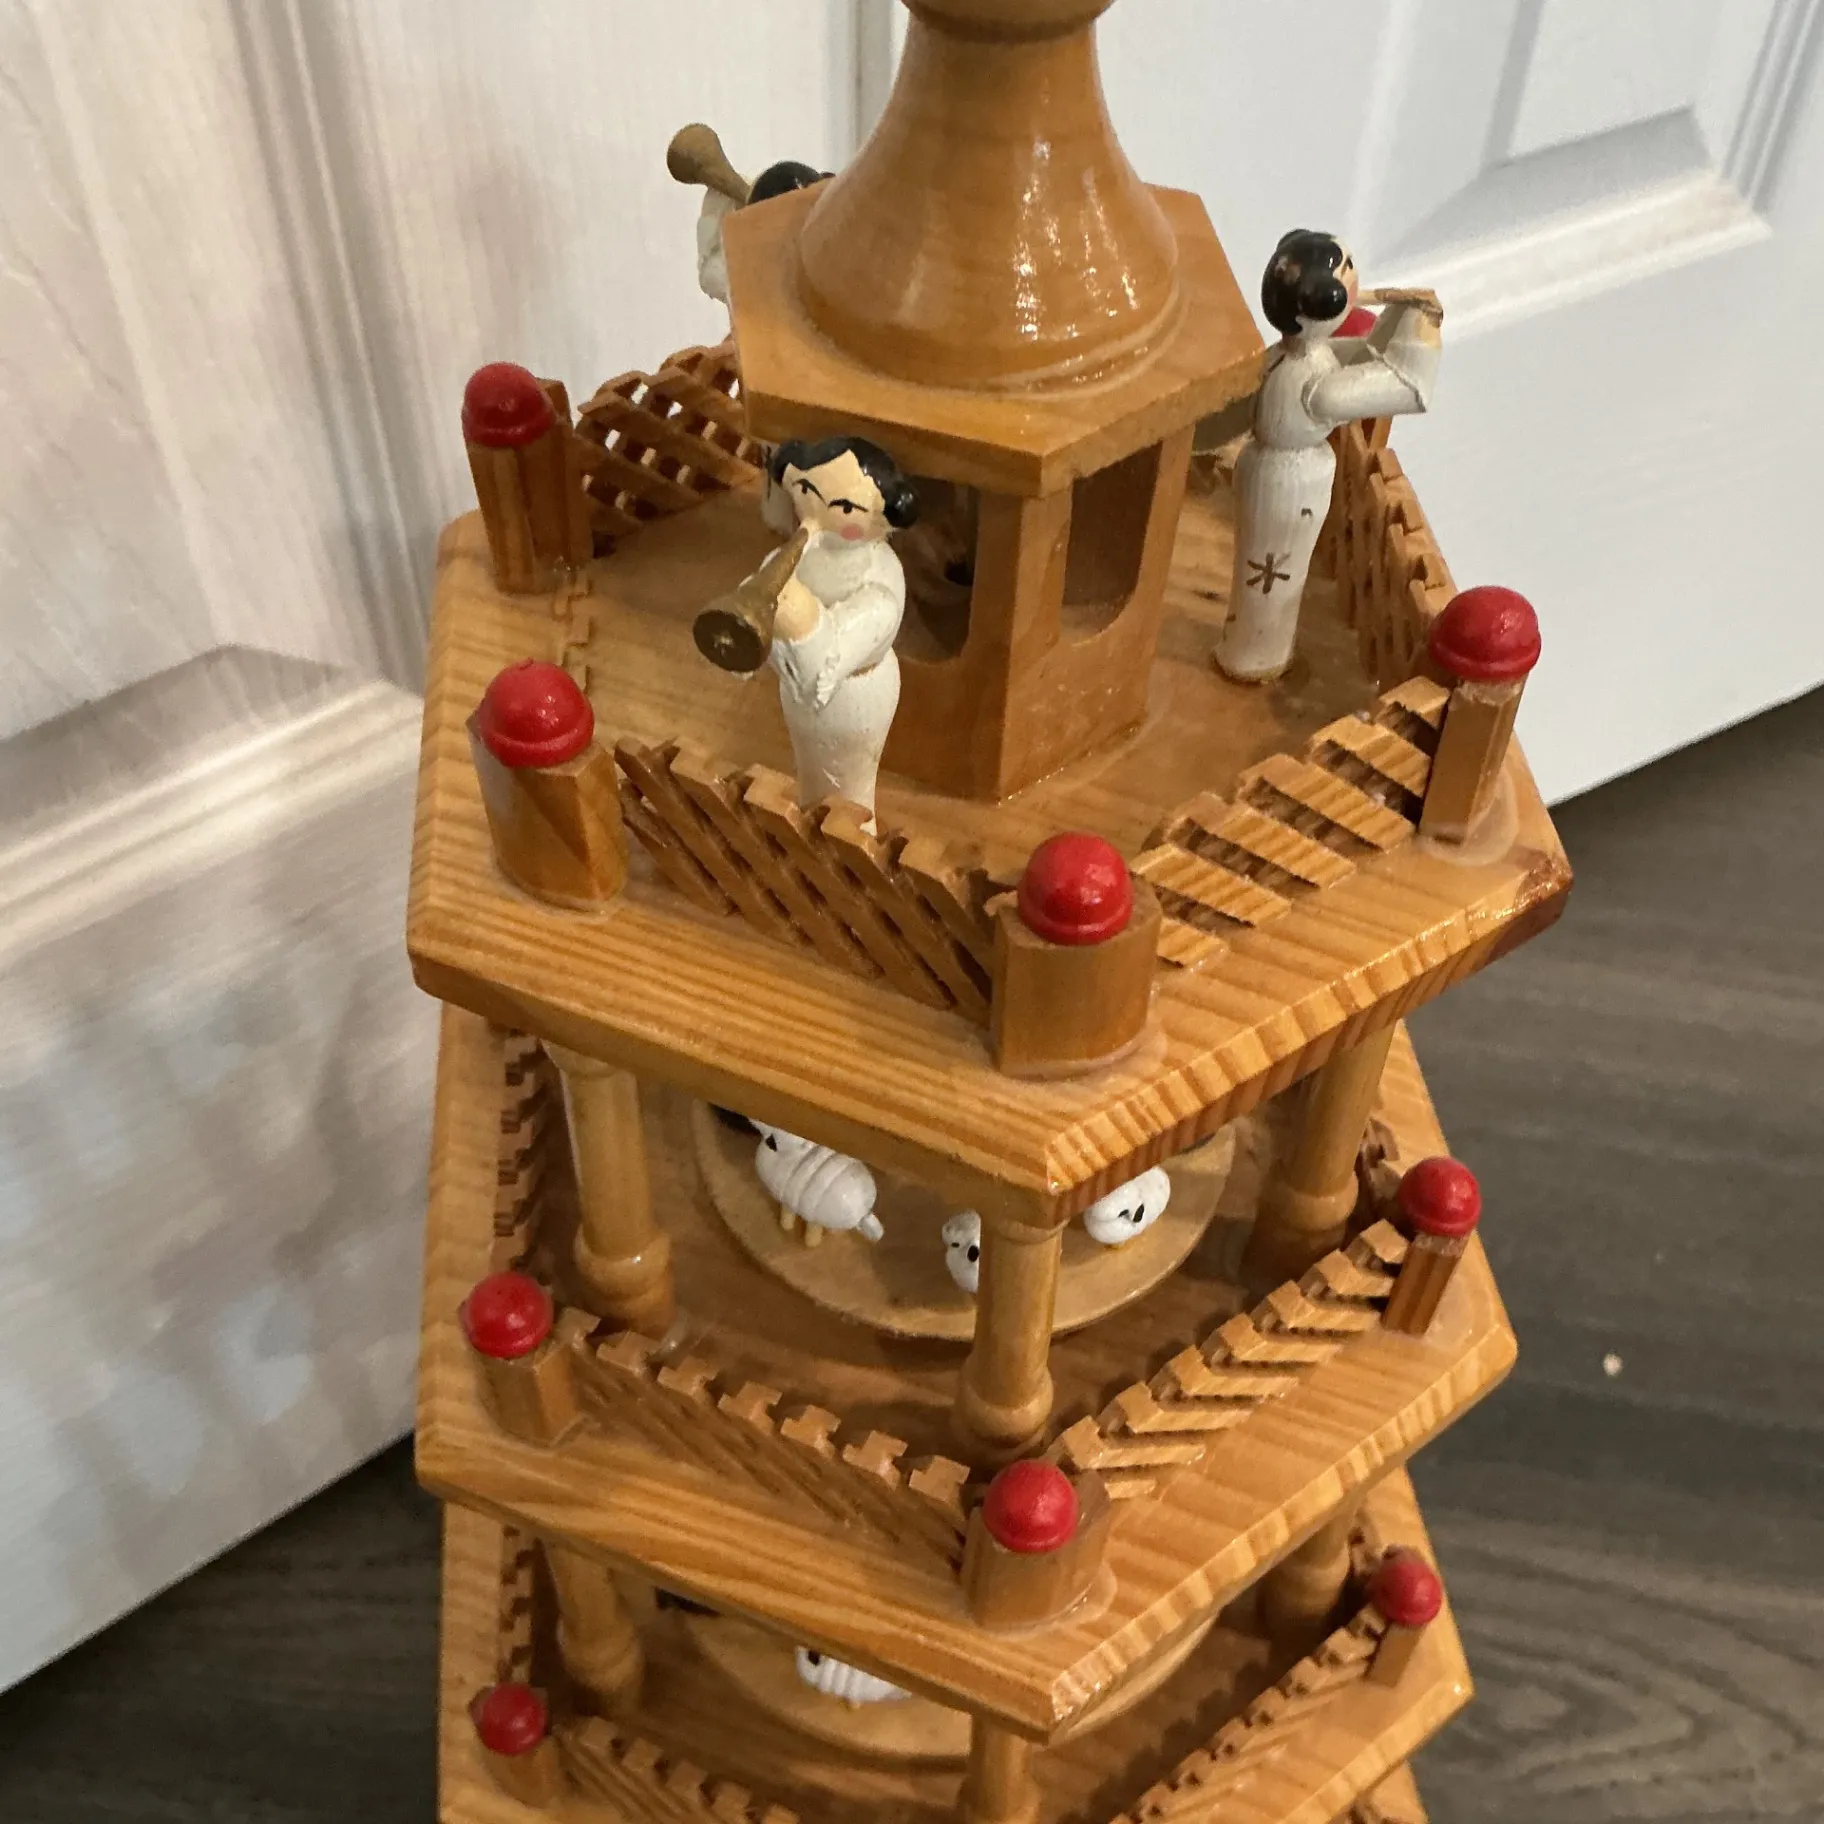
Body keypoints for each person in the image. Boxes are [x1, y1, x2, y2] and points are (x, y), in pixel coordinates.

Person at [1214, 230, 1442, 683]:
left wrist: (1400, 316)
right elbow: (1407, 387)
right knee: (1275, 576)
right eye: (1347, 272)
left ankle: (1250, 646)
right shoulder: (1318, 388)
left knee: (1267, 573)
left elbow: (1365, 355)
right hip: (1289, 484)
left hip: (1273, 473)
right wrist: (1424, 335)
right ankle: (1257, 655)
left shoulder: (1294, 356)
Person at [765, 436, 919, 821]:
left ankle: (854, 833)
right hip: (796, 695)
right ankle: (810, 822)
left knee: (850, 790)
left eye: (845, 508)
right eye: (806, 493)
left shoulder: (880, 576)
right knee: (810, 777)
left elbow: (828, 654)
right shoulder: (797, 555)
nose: (816, 517)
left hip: (856, 696)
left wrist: (794, 612)